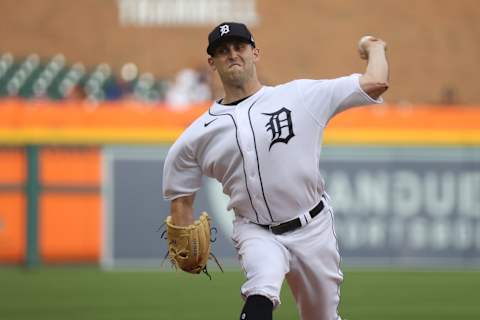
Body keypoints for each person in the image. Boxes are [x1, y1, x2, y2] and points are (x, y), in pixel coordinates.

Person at [163, 22, 389, 320]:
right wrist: (182, 219)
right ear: (212, 63)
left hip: (313, 228)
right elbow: (180, 189)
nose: (232, 54)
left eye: (239, 47)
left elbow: (375, 82)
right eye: (222, 50)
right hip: (255, 229)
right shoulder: (197, 134)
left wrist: (376, 48)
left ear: (255, 53)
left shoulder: (300, 96)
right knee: (261, 290)